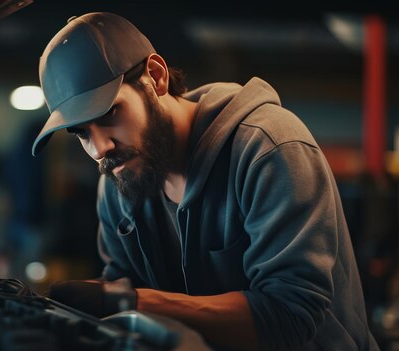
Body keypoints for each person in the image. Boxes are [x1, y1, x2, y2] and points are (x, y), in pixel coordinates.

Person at [31, 12, 379, 351]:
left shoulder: (268, 149)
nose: (99, 149)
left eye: (108, 113)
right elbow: (126, 286)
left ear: (156, 76)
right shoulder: (119, 180)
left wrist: (131, 301)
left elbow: (290, 317)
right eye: (81, 133)